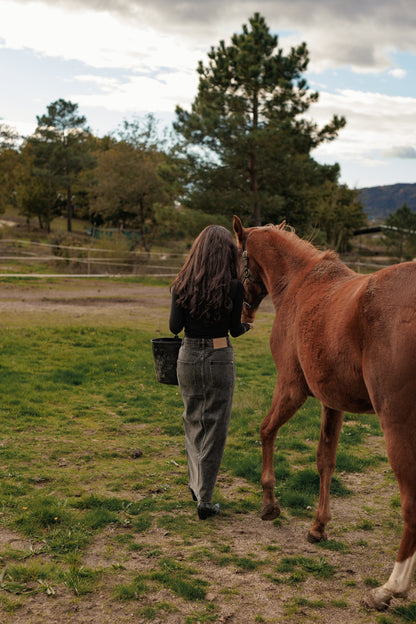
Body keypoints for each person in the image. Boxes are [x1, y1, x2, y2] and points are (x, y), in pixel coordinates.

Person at [169, 225, 252, 520]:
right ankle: (205, 497)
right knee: (216, 427)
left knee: (192, 419)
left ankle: (196, 484)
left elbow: (173, 328)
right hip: (219, 356)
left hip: (188, 356)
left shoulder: (182, 283)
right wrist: (246, 327)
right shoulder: (233, 287)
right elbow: (233, 330)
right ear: (227, 253)